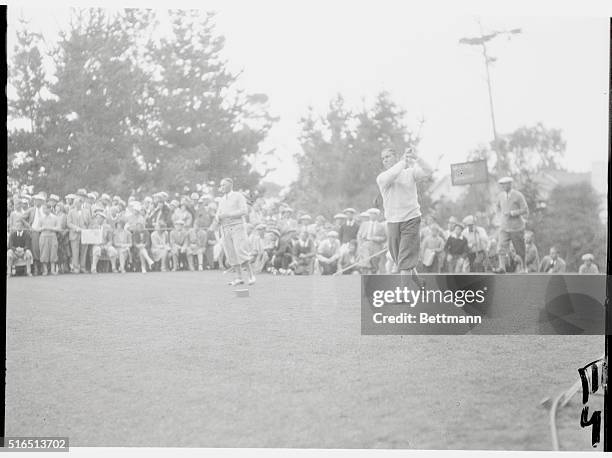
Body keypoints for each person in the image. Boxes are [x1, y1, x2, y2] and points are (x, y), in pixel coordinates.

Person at [376, 146, 433, 285]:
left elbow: (429, 171)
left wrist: (415, 158)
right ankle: (419, 282)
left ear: (395, 157)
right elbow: (392, 175)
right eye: (383, 158)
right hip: (392, 222)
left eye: (388, 157)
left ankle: (403, 294)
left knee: (406, 259)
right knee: (400, 260)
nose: (385, 160)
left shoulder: (410, 173)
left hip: (411, 219)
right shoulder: (382, 178)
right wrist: (403, 161)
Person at [212, 178, 255, 286]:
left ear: (230, 185)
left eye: (224, 185)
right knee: (231, 253)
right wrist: (217, 219)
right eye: (221, 185)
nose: (221, 187)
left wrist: (228, 214)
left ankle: (251, 276)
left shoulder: (238, 196)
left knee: (241, 251)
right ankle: (239, 278)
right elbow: (218, 214)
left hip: (237, 227)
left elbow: (244, 211)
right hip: (225, 228)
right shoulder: (221, 199)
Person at [494, 177, 529, 273]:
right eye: (501, 184)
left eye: (505, 184)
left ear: (510, 184)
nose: (503, 186)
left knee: (520, 249)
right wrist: (499, 216)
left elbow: (525, 209)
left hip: (516, 227)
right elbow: (497, 206)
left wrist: (512, 213)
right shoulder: (500, 196)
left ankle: (523, 267)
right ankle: (502, 267)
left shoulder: (518, 195)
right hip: (504, 227)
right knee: (501, 246)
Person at [356, 208, 387, 274]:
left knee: (374, 265)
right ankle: (364, 281)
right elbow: (359, 236)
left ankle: (373, 281)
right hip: (365, 246)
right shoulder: (364, 224)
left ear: (377, 216)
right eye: (371, 214)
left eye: (374, 214)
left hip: (376, 247)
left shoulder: (380, 226)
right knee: (365, 265)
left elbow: (384, 238)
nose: (372, 216)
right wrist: (360, 246)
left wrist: (375, 238)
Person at [66, 196, 90, 274]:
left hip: (84, 235)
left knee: (84, 251)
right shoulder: (71, 211)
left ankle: (82, 267)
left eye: (79, 202)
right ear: (74, 203)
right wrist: (76, 228)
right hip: (74, 234)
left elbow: (90, 222)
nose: (78, 204)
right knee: (75, 252)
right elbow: (68, 223)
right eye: (76, 203)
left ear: (82, 203)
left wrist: (87, 230)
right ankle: (76, 268)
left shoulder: (87, 211)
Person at [38, 202, 60, 275]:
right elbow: (38, 228)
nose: (44, 210)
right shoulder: (41, 218)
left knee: (53, 253)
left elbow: (58, 228)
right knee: (44, 253)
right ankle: (45, 270)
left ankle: (53, 270)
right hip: (43, 237)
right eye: (43, 209)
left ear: (49, 209)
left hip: (52, 236)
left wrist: (51, 228)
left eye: (45, 208)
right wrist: (43, 228)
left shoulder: (55, 217)